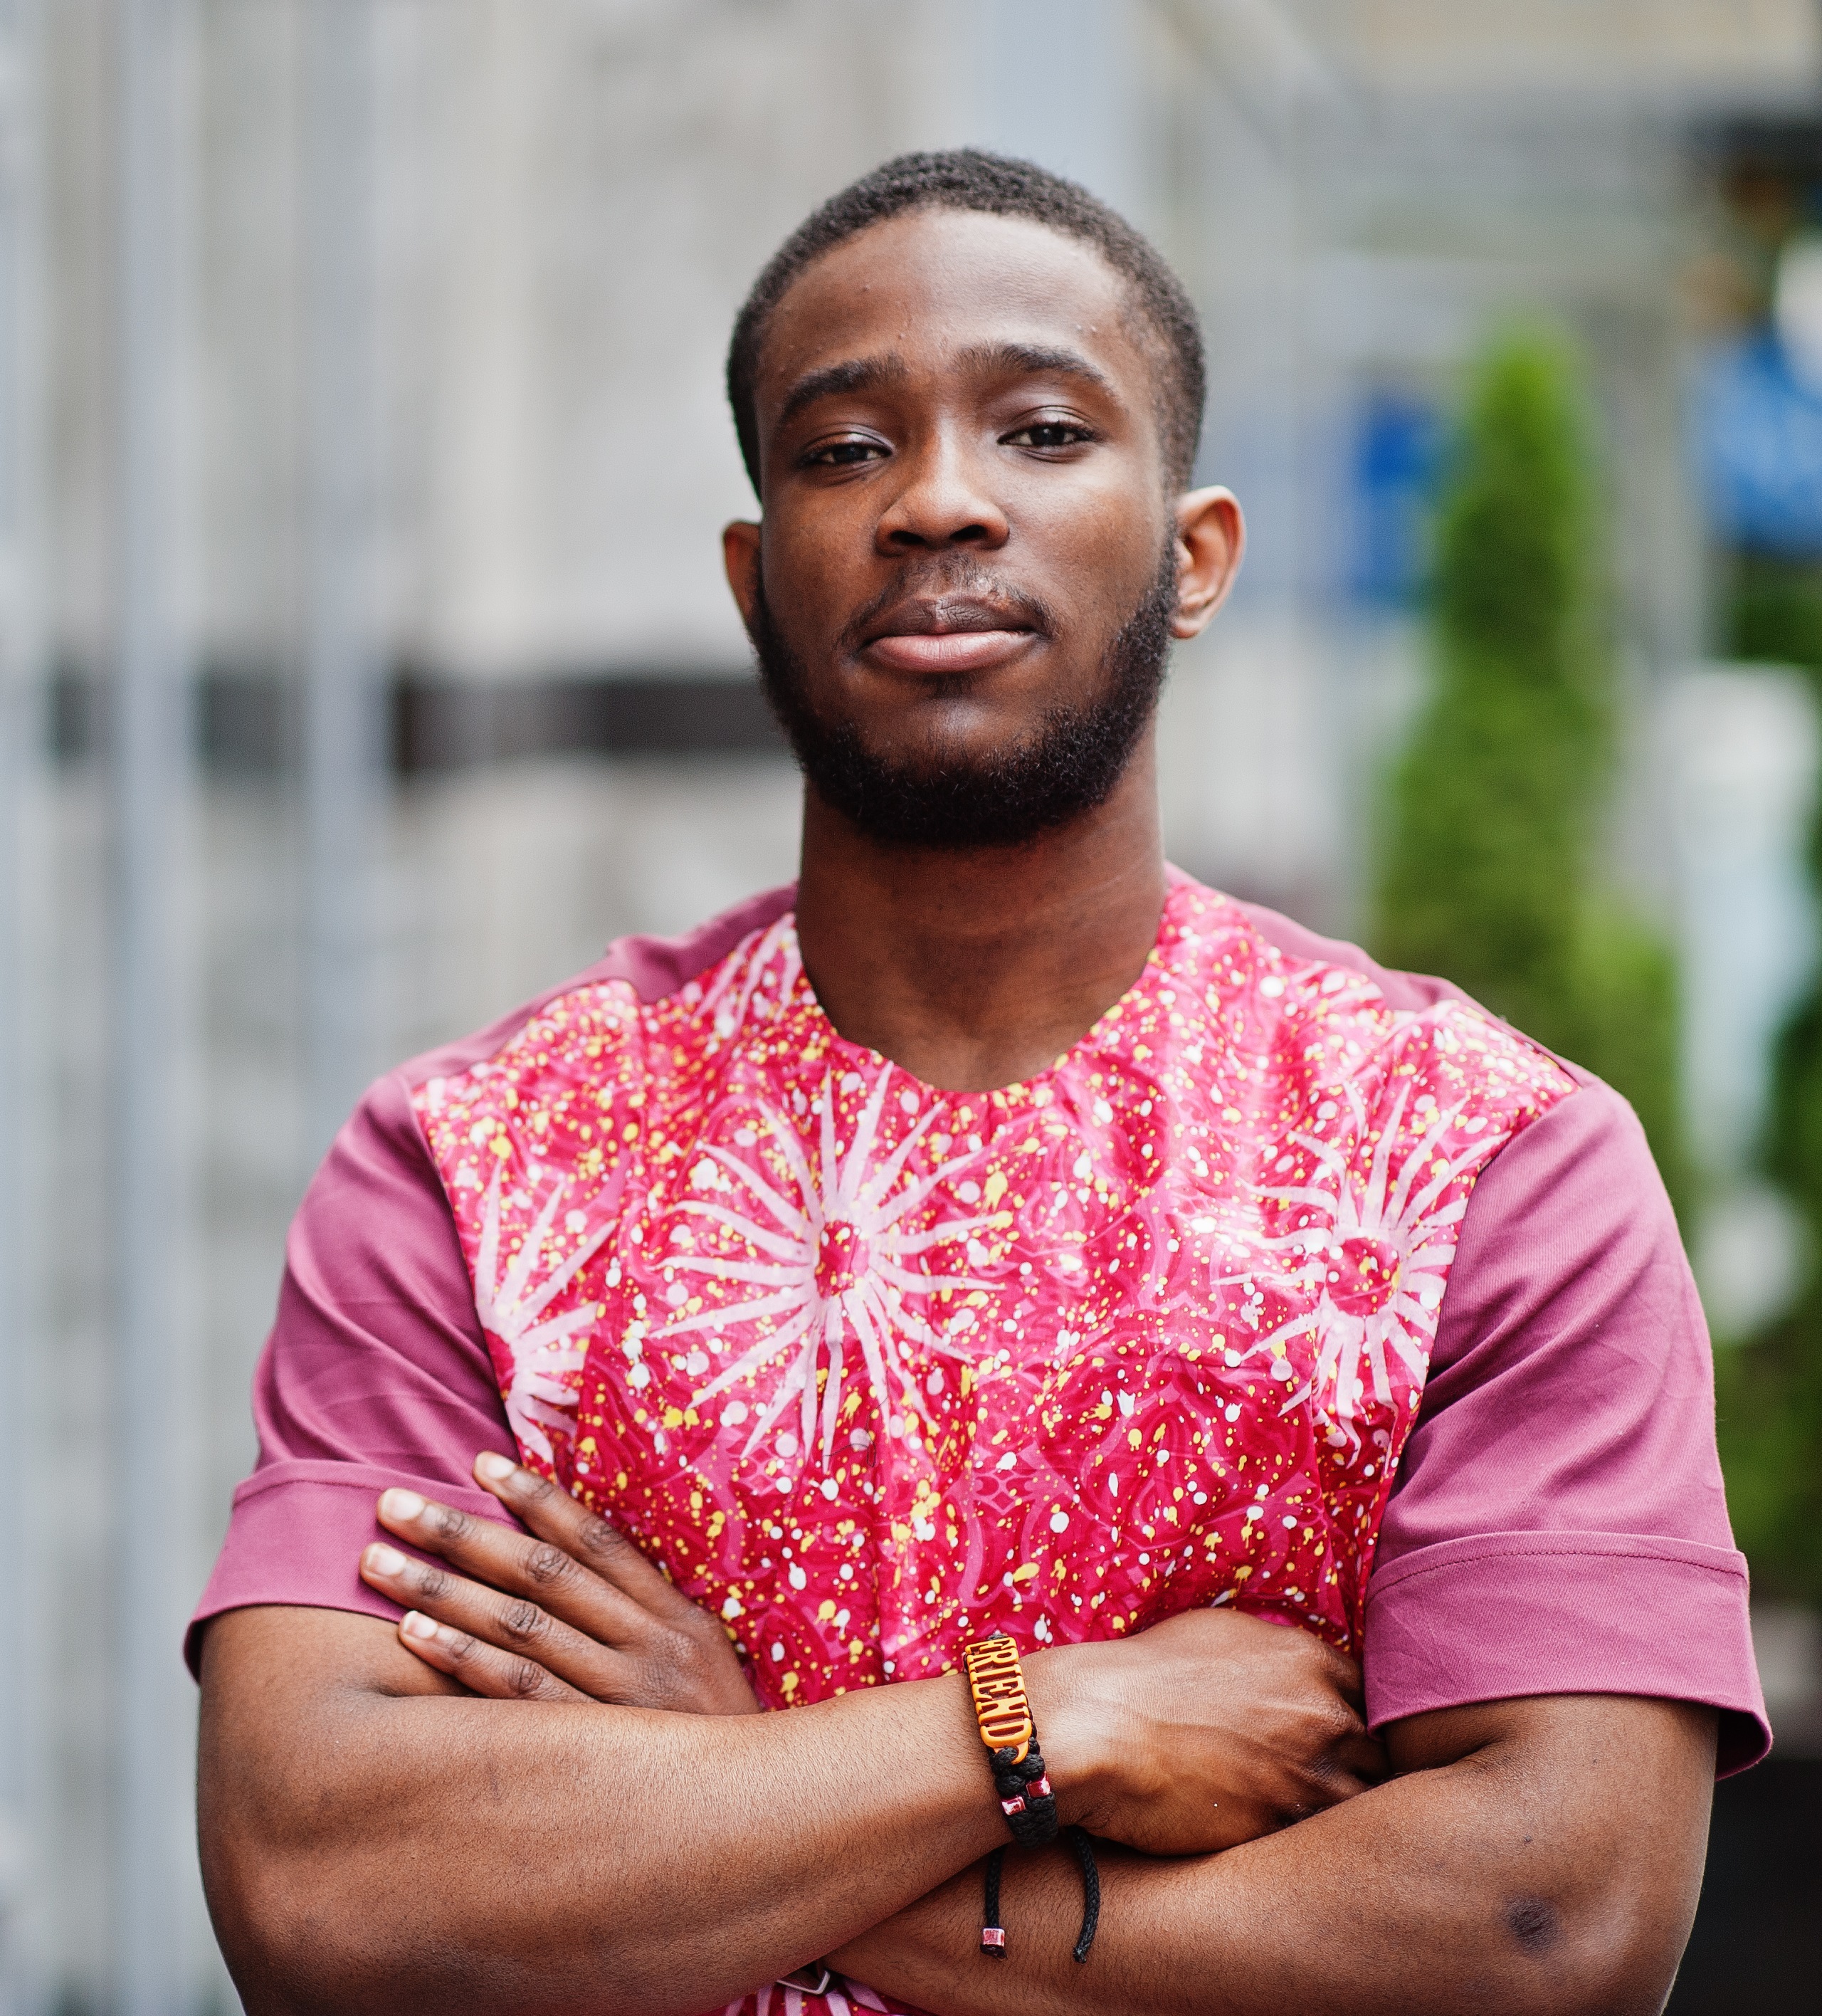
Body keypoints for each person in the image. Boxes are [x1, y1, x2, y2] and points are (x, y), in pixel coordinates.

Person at [193, 152, 1765, 2016]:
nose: (936, 498)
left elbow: (1545, 1929)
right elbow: (324, 1885)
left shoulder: (1486, 1165)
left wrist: (728, 1772)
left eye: (1038, 428)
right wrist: (1036, 1730)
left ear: (1195, 556)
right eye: (844, 449)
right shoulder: (473, 1170)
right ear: (755, 577)